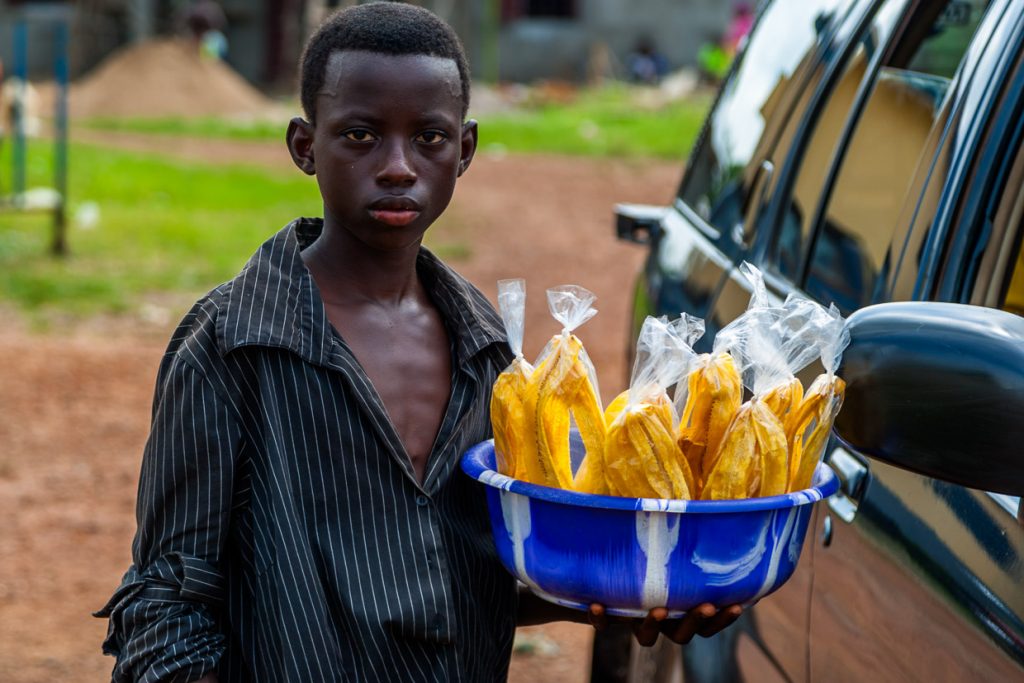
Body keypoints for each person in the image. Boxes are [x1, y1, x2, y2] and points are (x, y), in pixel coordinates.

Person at [95, 4, 741, 681]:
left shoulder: (485, 348)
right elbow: (168, 602)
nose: (398, 166)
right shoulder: (231, 348)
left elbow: (469, 570)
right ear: (304, 146)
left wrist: (629, 593)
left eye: (428, 137)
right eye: (361, 135)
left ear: (464, 150)